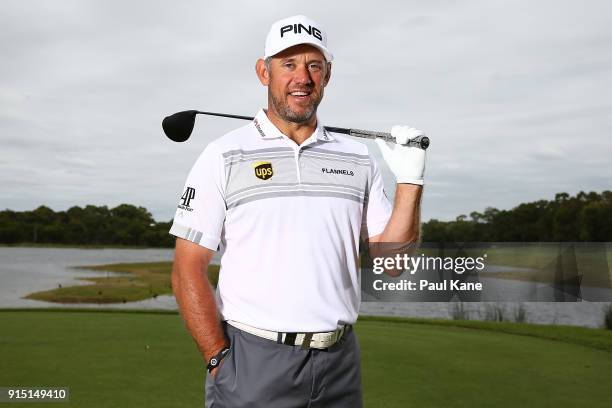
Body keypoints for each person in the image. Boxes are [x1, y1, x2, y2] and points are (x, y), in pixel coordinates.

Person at [169, 14, 426, 408]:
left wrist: (410, 182)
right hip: (254, 358)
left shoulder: (358, 158)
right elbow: (188, 266)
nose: (302, 77)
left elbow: (392, 264)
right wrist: (217, 357)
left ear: (328, 74)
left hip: (340, 362)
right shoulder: (222, 154)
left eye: (314, 65)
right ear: (263, 71)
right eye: (288, 64)